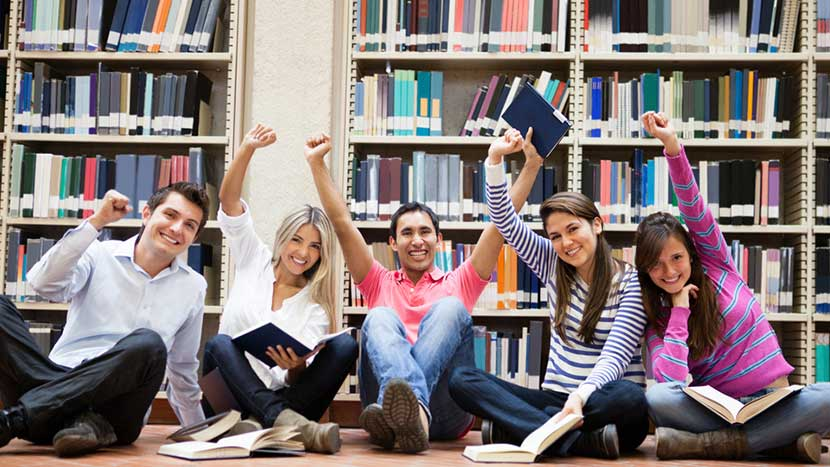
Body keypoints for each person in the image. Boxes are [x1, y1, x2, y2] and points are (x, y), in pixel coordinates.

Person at [305, 133, 535, 453]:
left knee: (452, 309)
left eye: (425, 232)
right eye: (407, 233)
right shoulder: (378, 282)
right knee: (379, 316)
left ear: (438, 239)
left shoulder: (460, 281)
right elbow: (342, 223)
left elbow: (499, 225)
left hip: (446, 412)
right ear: (392, 243)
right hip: (385, 409)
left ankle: (415, 412)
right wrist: (317, 162)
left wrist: (531, 167)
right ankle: (408, 420)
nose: (417, 240)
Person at [636, 111, 830, 463]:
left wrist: (672, 147)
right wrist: (679, 311)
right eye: (656, 264)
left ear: (692, 254)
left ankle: (713, 445)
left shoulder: (718, 265)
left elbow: (692, 207)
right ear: (645, 270)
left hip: (772, 400)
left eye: (676, 258)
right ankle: (774, 443)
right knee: (658, 397)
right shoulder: (658, 317)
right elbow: (672, 381)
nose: (668, 271)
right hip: (715, 411)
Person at [449, 128, 649, 460]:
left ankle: (529, 430)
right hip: (556, 399)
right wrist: (495, 159)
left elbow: (614, 358)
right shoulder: (551, 262)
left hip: (602, 403)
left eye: (573, 229)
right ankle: (579, 442)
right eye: (555, 236)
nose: (566, 243)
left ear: (596, 225)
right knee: (460, 379)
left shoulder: (630, 283)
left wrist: (580, 399)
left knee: (631, 397)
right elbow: (503, 220)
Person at [0, 182, 210, 457]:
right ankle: (80, 426)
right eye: (170, 215)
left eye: (189, 225)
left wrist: (200, 434)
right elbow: (42, 284)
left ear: (194, 237)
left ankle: (15, 420)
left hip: (117, 411)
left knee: (149, 344)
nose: (177, 229)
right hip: (54, 380)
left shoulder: (193, 286)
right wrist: (96, 223)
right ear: (146, 214)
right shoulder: (98, 252)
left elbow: (182, 368)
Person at [202, 124, 357, 454]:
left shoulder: (314, 305)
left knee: (344, 346)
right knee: (219, 344)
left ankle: (259, 425)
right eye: (297, 240)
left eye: (314, 247)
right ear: (283, 237)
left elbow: (299, 382)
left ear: (321, 254)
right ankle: (281, 425)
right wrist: (247, 149)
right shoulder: (253, 257)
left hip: (286, 399)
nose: (303, 253)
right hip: (227, 396)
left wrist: (295, 368)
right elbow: (228, 201)